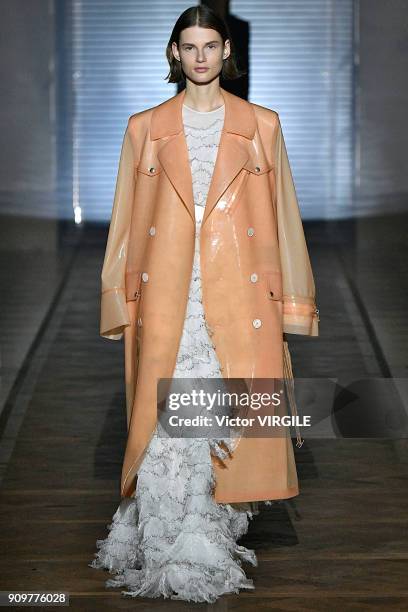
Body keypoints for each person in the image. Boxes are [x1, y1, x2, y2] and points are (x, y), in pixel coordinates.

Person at [90, 4, 319, 604]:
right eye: (189, 46)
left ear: (225, 53)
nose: (199, 57)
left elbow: (282, 219)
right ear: (174, 53)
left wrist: (293, 304)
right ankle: (170, 543)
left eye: (210, 46)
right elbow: (124, 221)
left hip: (238, 293)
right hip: (167, 294)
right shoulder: (145, 128)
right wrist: (117, 299)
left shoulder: (261, 126)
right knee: (166, 425)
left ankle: (201, 538)